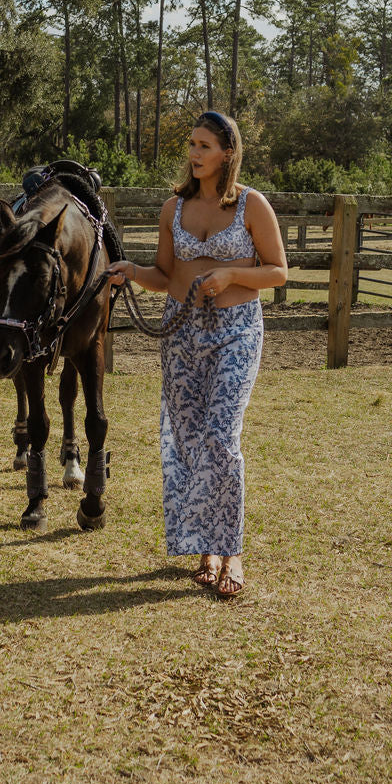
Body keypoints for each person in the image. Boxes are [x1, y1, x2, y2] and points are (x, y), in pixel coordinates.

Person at [106, 111, 287, 600]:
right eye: (191, 144)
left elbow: (277, 272)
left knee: (221, 437)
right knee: (187, 441)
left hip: (236, 331)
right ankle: (205, 550)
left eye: (204, 145)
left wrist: (231, 276)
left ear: (227, 152)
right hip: (182, 335)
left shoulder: (252, 205)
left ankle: (232, 552)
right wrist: (132, 270)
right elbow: (166, 276)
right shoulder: (174, 208)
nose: (194, 153)